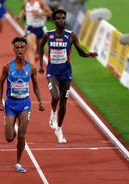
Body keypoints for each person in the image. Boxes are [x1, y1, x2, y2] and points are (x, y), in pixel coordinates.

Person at [38, 9, 98, 143]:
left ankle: (59, 129)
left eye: (63, 18)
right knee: (55, 96)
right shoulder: (48, 35)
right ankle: (53, 112)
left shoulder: (71, 36)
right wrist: (41, 65)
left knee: (64, 103)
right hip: (52, 72)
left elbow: (81, 53)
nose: (61, 20)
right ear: (54, 20)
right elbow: (41, 46)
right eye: (58, 18)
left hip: (66, 73)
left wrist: (89, 55)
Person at [0, 37, 45, 173]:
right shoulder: (7, 67)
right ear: (13, 49)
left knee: (22, 136)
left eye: (21, 47)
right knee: (9, 138)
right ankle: (9, 123)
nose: (19, 50)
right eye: (17, 47)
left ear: (26, 49)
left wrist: (40, 101)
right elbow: (0, 83)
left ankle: (18, 162)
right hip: (11, 104)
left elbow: (36, 86)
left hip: (25, 103)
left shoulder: (31, 68)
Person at [16, 0, 52, 66]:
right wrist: (19, 17)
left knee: (39, 48)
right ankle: (33, 69)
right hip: (30, 28)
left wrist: (38, 14)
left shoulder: (40, 2)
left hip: (40, 28)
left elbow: (49, 12)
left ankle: (38, 52)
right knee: (32, 48)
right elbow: (24, 10)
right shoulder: (26, 2)